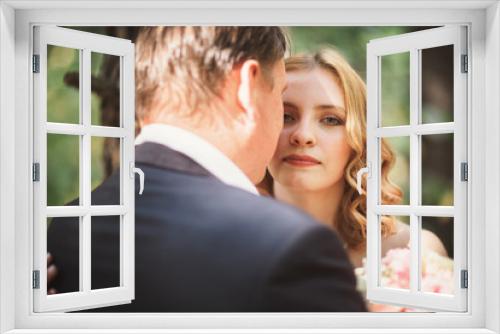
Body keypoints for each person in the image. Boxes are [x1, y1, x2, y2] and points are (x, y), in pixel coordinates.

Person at [48, 27, 366, 312]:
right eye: (281, 99)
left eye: (331, 119)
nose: (300, 135)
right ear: (246, 86)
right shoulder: (290, 245)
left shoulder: (71, 224)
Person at [258, 48, 447, 268]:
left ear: (359, 140)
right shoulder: (229, 238)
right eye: (285, 116)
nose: (303, 136)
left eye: (330, 120)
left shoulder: (411, 251)